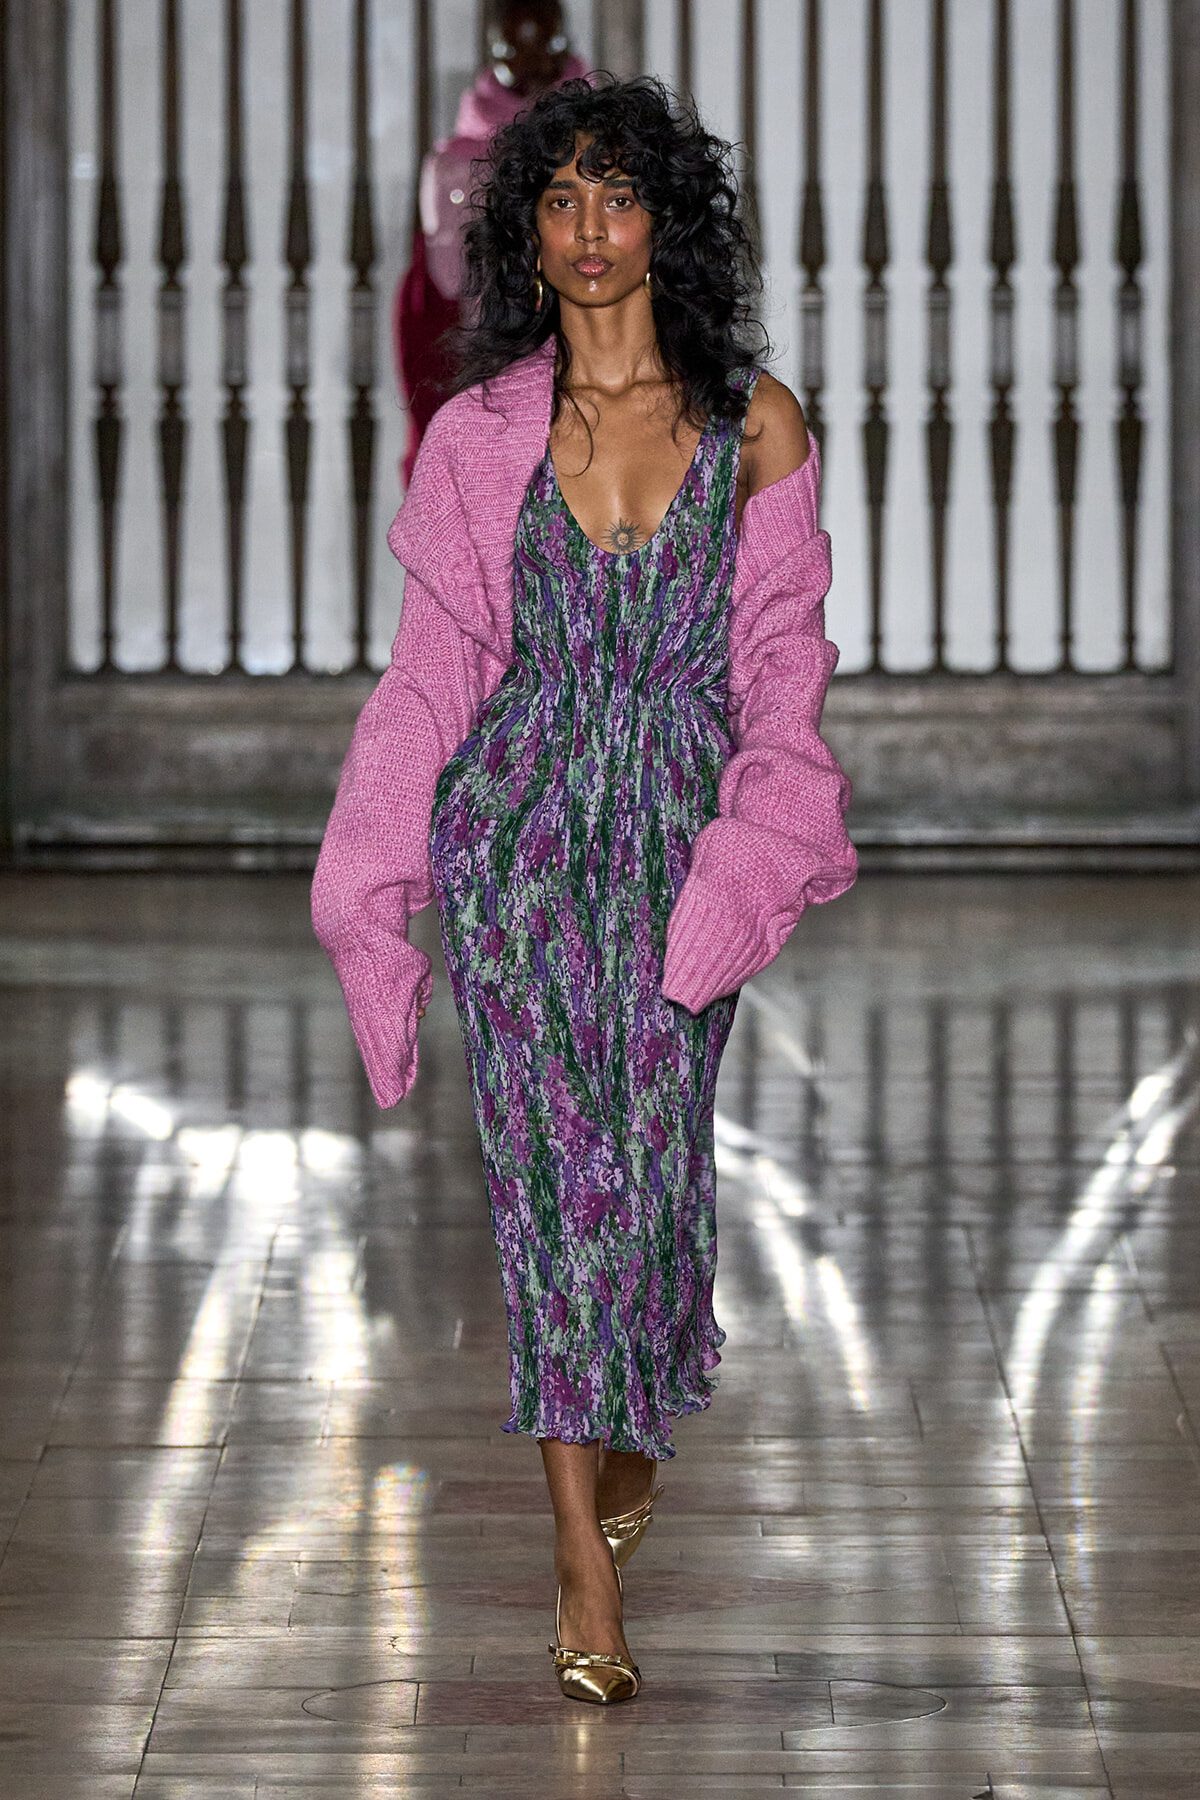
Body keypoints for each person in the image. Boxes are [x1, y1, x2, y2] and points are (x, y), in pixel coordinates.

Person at [313, 77, 857, 1704]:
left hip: (684, 849)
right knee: (552, 1190)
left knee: (657, 1176)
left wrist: (757, 855)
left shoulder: (753, 423)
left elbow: (782, 677)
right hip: (523, 843)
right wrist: (371, 871)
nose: (593, 231)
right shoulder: (481, 441)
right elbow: (430, 682)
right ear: (524, 232)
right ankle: (577, 1568)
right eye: (561, 201)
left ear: (665, 219)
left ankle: (627, 1425)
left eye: (621, 197)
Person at [394, 0, 583, 485]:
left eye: (542, 38)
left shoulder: (606, 149)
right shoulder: (455, 163)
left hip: (589, 379)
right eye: (513, 40)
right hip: (490, 385)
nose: (529, 56)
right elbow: (435, 296)